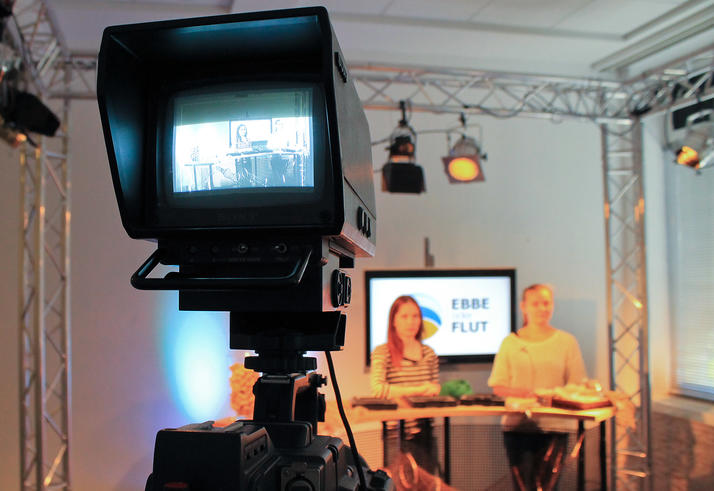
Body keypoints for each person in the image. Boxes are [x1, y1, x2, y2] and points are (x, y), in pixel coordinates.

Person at [488, 283, 587, 491]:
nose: (542, 309)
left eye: (546, 303)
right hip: (517, 425)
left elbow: (577, 383)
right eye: (536, 303)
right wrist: (528, 395)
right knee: (523, 485)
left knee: (549, 486)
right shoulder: (511, 343)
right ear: (524, 307)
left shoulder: (567, 342)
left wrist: (552, 395)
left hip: (556, 426)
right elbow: (498, 385)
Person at [370, 295, 441, 477]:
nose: (411, 321)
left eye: (416, 316)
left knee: (427, 484)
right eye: (404, 316)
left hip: (424, 430)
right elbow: (378, 389)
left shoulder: (429, 353)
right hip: (396, 434)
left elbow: (434, 387)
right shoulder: (382, 351)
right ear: (393, 320)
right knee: (399, 483)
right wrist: (418, 390)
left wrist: (431, 389)